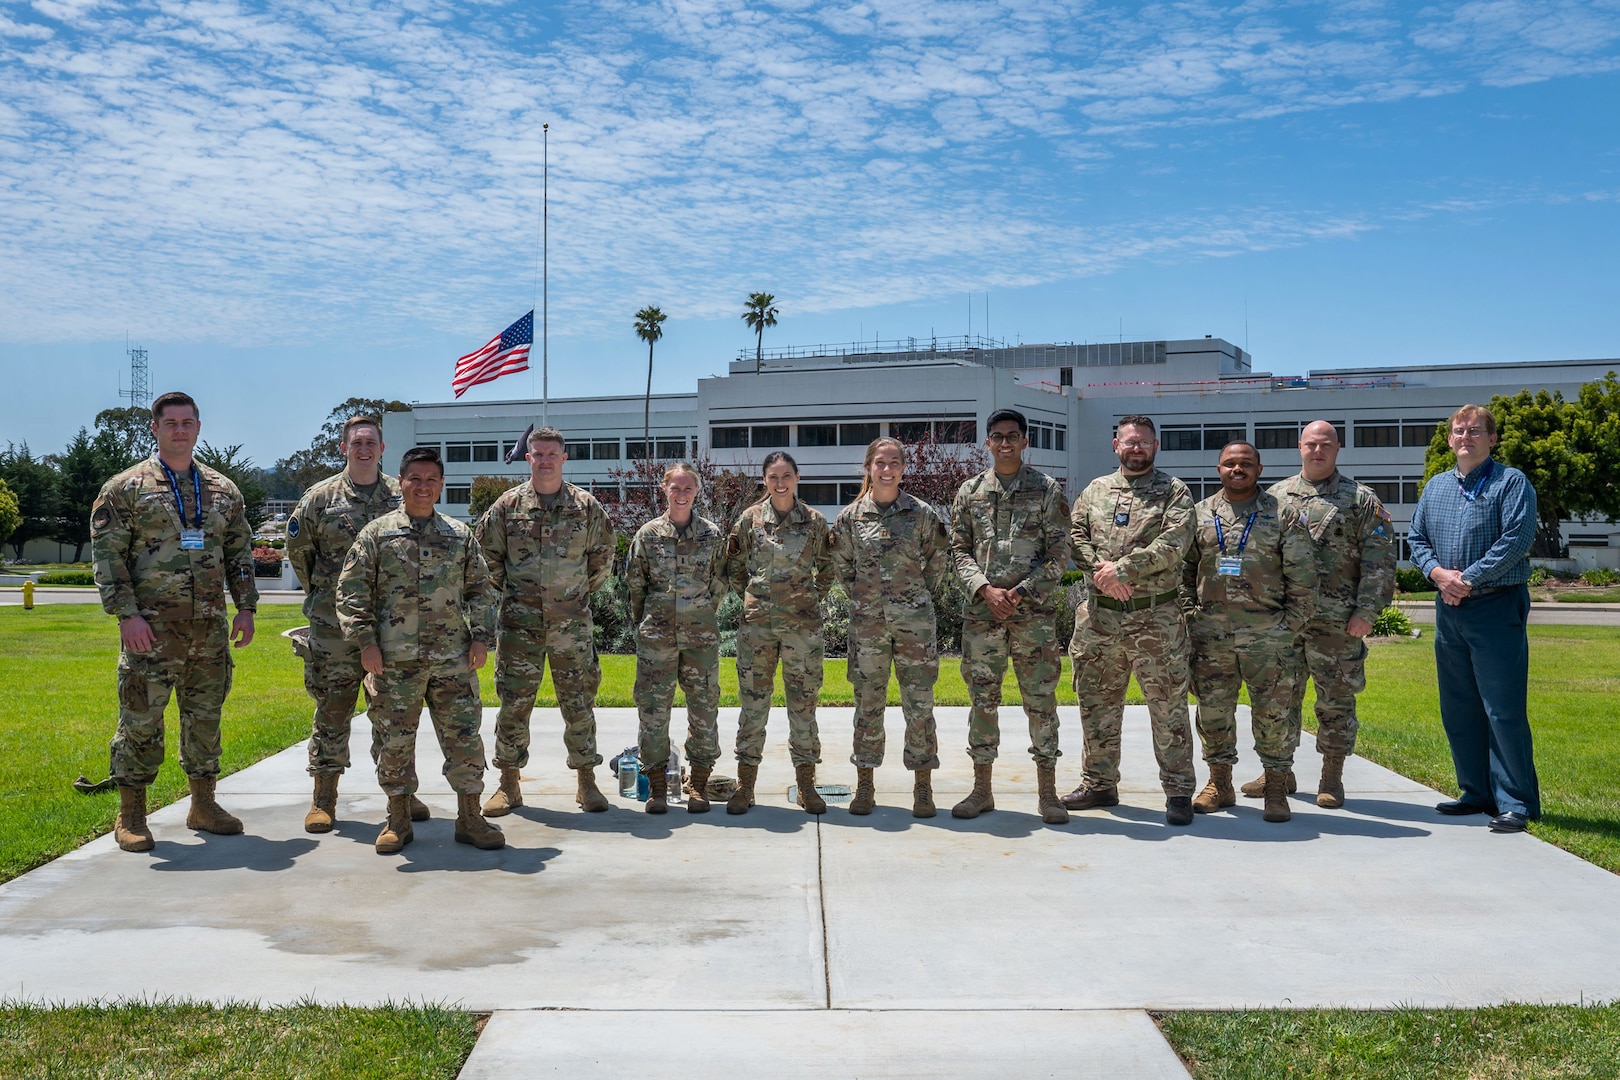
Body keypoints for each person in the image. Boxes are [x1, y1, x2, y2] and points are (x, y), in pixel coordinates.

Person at [90, 391, 258, 853]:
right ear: (155, 429)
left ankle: (203, 805)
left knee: (206, 720)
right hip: (151, 632)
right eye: (171, 423)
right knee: (141, 720)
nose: (180, 430)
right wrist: (127, 616)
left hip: (208, 632)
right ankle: (131, 815)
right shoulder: (126, 489)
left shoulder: (223, 490)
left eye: (187, 422)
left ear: (198, 428)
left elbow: (239, 553)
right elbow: (108, 560)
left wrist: (246, 606)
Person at [335, 446, 504, 853]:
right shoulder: (377, 534)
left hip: (452, 659)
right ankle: (398, 819)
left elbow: (481, 589)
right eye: (415, 479)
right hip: (394, 661)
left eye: (431, 480)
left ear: (442, 485)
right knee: (394, 741)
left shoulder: (459, 535)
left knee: (464, 739)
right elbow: (351, 591)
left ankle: (469, 818)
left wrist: (481, 636)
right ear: (402, 482)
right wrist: (366, 643)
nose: (423, 487)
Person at [285, 415, 425, 833]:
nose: (364, 449)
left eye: (371, 443)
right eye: (356, 443)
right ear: (344, 449)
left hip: (391, 624)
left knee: (394, 711)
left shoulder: (401, 496)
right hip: (334, 627)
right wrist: (329, 597)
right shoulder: (320, 499)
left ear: (383, 450)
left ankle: (400, 793)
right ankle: (323, 797)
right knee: (333, 708)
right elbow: (300, 555)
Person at [1408, 404, 1540, 833]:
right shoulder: (1436, 487)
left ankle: (1516, 802)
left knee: (1501, 709)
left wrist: (1468, 579)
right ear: (1450, 439)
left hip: (1495, 605)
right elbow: (1416, 538)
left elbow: (1516, 540)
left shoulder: (1511, 482)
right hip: (1449, 609)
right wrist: (1438, 574)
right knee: (1459, 706)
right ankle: (1476, 793)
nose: (1467, 437)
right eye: (1460, 431)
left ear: (1492, 438)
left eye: (1476, 431)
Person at [1062, 415, 1198, 826]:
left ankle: (1177, 791)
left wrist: (1124, 570)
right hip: (1100, 619)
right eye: (1128, 441)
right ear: (1115, 444)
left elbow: (1175, 542)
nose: (1135, 448)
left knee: (1168, 708)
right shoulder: (1095, 491)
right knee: (1097, 705)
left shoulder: (1174, 492)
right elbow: (1074, 536)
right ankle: (1099, 782)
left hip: (1155, 619)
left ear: (1156, 446)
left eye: (1143, 442)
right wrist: (1103, 574)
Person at [476, 426, 615, 816]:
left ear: (564, 458)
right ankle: (508, 784)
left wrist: (570, 597)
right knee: (514, 706)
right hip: (520, 628)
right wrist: (519, 597)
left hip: (572, 627)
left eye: (552, 454)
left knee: (579, 705)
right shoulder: (506, 507)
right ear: (528, 458)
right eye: (538, 454)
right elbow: (488, 560)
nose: (545, 460)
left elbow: (602, 558)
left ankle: (587, 782)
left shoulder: (586, 508)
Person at [949, 408, 1072, 824]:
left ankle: (1048, 793)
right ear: (987, 442)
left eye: (1012, 436)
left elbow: (1060, 554)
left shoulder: (1047, 490)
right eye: (997, 436)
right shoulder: (969, 491)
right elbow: (958, 550)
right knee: (983, 701)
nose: (1005, 443)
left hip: (1032, 616)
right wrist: (985, 589)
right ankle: (982, 790)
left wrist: (1020, 592)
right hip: (982, 615)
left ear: (1025, 442)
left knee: (1040, 702)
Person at [1182, 441, 1315, 823]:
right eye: (1229, 464)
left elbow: (1304, 579)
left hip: (1268, 637)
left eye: (1245, 464)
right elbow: (1184, 573)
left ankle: (1276, 787)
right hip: (1212, 637)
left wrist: (1287, 628)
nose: (1237, 469)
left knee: (1274, 714)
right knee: (1213, 713)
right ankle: (1219, 783)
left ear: (1259, 468)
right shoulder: (1200, 514)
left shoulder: (1281, 514)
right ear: (1218, 468)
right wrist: (1192, 616)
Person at [1266, 420, 1396, 809]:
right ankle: (1279, 773)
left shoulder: (1361, 500)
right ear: (1299, 446)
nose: (1317, 451)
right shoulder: (1275, 496)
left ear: (1338, 448)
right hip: (1286, 620)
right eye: (1311, 444)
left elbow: (1380, 561)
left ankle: (1331, 776)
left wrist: (1367, 612)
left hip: (1337, 622)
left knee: (1335, 700)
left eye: (1325, 444)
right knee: (1278, 699)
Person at [831, 437, 951, 818]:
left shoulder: (921, 514)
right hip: (868, 629)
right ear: (868, 467)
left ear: (903, 468)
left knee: (919, 705)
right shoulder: (850, 518)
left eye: (894, 462)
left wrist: (911, 598)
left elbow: (937, 562)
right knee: (868, 705)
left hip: (915, 626)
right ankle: (865, 784)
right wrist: (868, 600)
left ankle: (922, 787)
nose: (887, 469)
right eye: (880, 463)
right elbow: (842, 568)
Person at [725, 451, 836, 815]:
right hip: (757, 630)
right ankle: (745, 785)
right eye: (773, 477)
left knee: (803, 707)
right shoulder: (750, 520)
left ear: (798, 477)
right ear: (765, 481)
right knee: (753, 706)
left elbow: (828, 568)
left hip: (802, 631)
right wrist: (754, 598)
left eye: (786, 475)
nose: (780, 482)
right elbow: (735, 566)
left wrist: (805, 601)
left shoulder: (815, 522)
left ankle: (807, 786)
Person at [625, 462, 731, 814]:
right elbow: (635, 584)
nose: (682, 493)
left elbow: (719, 581)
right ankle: (656, 787)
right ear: (664, 490)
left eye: (688, 488)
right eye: (676, 488)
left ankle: (698, 785)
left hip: (700, 638)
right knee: (653, 713)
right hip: (656, 638)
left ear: (697, 491)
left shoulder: (711, 535)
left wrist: (699, 611)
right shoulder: (648, 535)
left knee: (704, 711)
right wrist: (649, 621)